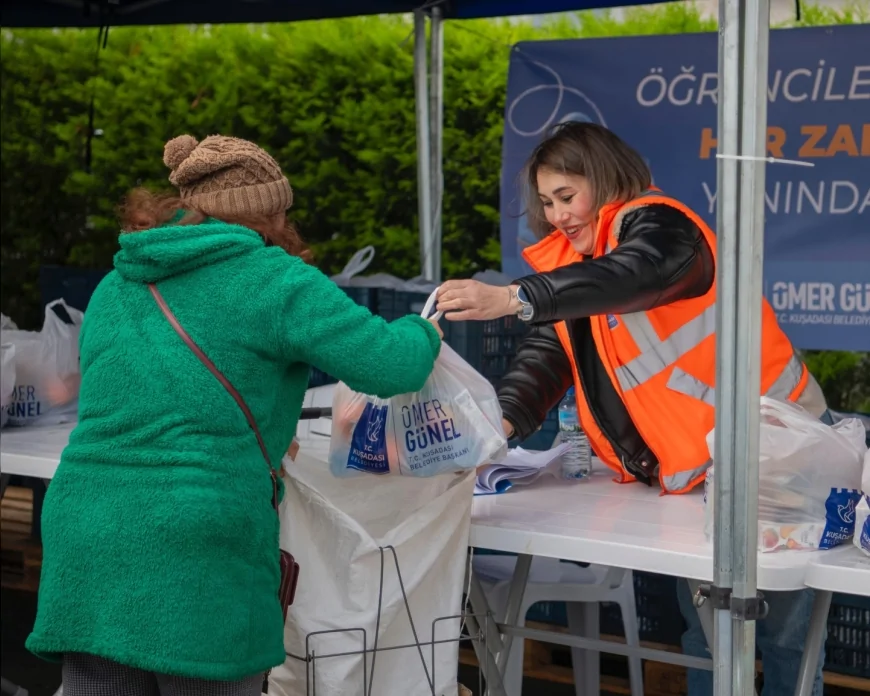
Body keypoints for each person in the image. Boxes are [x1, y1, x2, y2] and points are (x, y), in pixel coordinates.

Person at [27, 134, 443, 696]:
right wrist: (425, 329)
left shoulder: (116, 282)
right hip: (197, 539)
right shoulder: (276, 280)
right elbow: (392, 366)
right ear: (271, 211)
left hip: (86, 526)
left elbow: (136, 392)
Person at [435, 122, 828, 696]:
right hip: (692, 475)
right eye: (546, 202)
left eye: (567, 196)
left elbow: (636, 273)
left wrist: (514, 296)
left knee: (787, 636)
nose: (558, 214)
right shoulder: (574, 263)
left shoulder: (664, 226)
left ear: (604, 178)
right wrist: (500, 425)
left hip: (777, 453)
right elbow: (549, 354)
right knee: (705, 631)